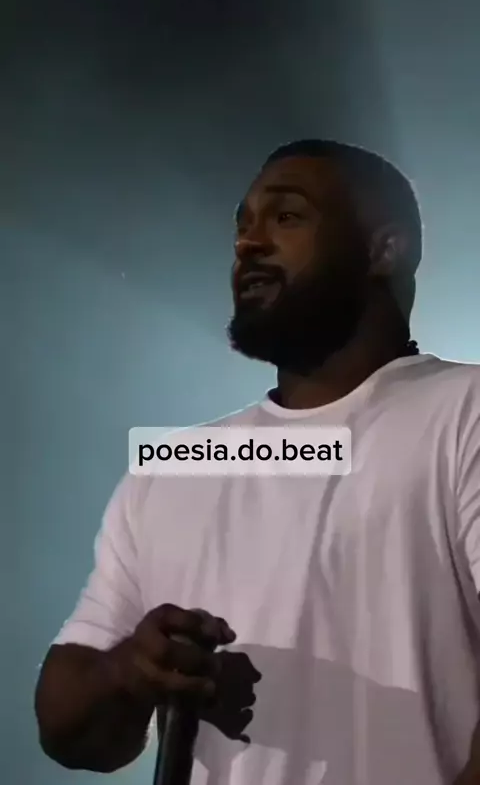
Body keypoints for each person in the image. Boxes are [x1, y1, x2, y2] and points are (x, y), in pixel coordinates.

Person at [34, 139, 480, 785]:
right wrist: (130, 669)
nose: (248, 243)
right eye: (242, 225)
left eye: (287, 216)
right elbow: (68, 733)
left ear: (384, 249)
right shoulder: (176, 466)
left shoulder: (464, 411)